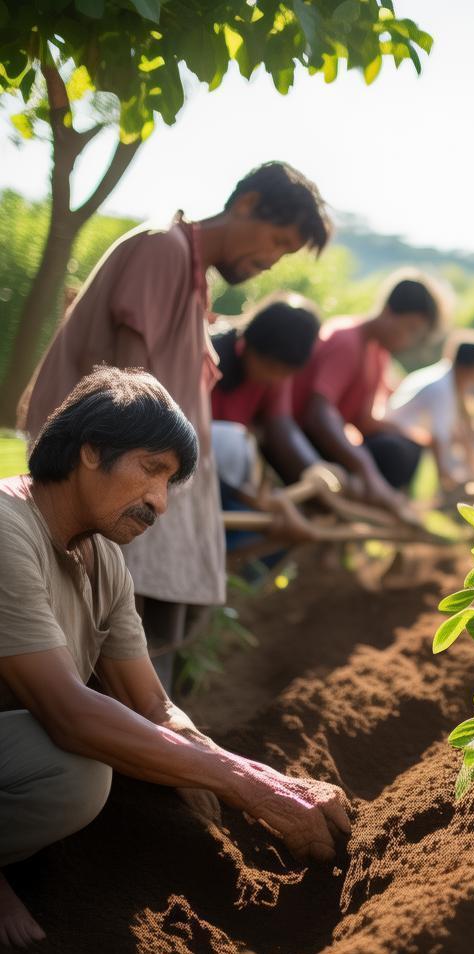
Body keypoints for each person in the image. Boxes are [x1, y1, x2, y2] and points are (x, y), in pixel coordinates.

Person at [0, 369, 349, 949]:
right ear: (91, 452)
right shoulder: (8, 532)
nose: (160, 502)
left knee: (161, 770)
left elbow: (154, 705)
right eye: (151, 469)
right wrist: (246, 786)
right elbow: (67, 711)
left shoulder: (101, 558)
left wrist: (263, 780)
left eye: (171, 482)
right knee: (75, 776)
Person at [20, 161, 331, 689]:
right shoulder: (162, 251)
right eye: (276, 240)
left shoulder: (192, 279)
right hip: (122, 483)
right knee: (122, 662)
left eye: (284, 253)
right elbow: (130, 396)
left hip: (147, 485)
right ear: (247, 204)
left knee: (146, 660)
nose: (271, 260)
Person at [283, 275, 442, 515]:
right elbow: (318, 412)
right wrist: (365, 469)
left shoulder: (378, 354)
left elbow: (362, 420)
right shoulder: (346, 339)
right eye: (409, 328)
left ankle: (385, 504)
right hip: (302, 441)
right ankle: (365, 501)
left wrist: (414, 437)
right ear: (389, 311)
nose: (409, 340)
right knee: (393, 452)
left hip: (328, 441)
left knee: (405, 446)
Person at [210, 295, 324, 555]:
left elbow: (279, 425)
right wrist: (273, 503)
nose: (275, 379)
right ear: (248, 344)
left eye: (284, 373)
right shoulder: (209, 358)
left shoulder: (274, 377)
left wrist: (315, 469)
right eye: (271, 367)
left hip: (235, 482)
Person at [384, 330, 474, 492]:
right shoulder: (441, 387)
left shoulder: (446, 380)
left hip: (406, 438)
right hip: (397, 443)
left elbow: (460, 430)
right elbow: (439, 436)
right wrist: (446, 478)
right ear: (472, 368)